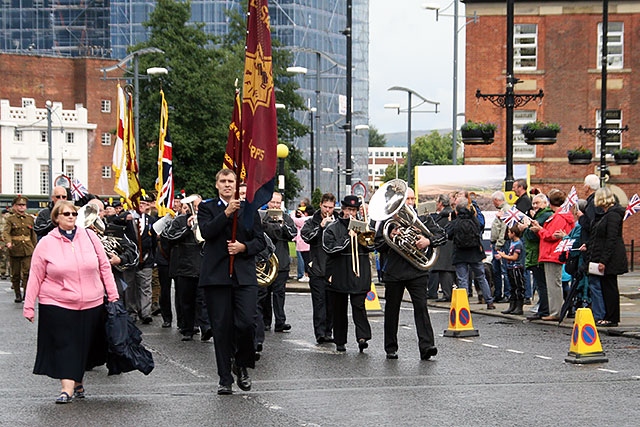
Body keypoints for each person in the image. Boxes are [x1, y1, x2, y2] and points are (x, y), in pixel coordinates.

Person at [23, 200, 119, 403]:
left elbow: (104, 267)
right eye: (66, 214)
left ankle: (77, 380)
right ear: (56, 218)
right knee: (66, 345)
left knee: (83, 345)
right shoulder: (46, 243)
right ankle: (66, 389)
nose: (71, 217)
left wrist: (113, 295)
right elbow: (36, 275)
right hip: (57, 302)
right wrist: (29, 305)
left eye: (74, 214)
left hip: (91, 301)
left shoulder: (90, 236)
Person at [198, 169, 266, 395]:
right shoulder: (206, 207)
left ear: (237, 185)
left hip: (244, 274)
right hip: (217, 276)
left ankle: (242, 363)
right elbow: (207, 232)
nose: (227, 185)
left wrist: (243, 248)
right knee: (221, 328)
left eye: (231, 181)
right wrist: (226, 213)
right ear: (216, 184)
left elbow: (260, 241)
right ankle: (224, 378)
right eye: (223, 181)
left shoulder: (249, 209)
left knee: (247, 323)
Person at [375, 187, 446, 360]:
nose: (410, 203)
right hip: (394, 272)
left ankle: (427, 346)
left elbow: (442, 235)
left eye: (412, 199)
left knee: (421, 308)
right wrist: (389, 236)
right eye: (407, 199)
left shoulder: (422, 218)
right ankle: (390, 347)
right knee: (392, 311)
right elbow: (376, 245)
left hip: (417, 271)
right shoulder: (387, 220)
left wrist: (428, 240)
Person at [322, 195, 373, 352]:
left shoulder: (363, 227)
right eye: (349, 210)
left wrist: (362, 236)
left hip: (359, 274)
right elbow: (329, 248)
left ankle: (362, 337)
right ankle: (340, 340)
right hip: (340, 273)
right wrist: (347, 239)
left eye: (354, 210)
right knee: (339, 309)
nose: (352, 213)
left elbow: (371, 246)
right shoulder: (332, 228)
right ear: (343, 210)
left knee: (359, 306)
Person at [529, 189, 575, 321]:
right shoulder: (558, 215)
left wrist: (540, 229)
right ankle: (555, 310)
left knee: (553, 284)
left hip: (552, 253)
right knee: (553, 284)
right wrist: (540, 229)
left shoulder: (558, 217)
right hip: (552, 253)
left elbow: (552, 235)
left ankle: (556, 312)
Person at [586, 187, 628, 327]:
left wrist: (603, 260)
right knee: (605, 287)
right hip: (606, 256)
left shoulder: (613, 215)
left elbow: (611, 239)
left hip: (611, 258)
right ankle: (608, 316)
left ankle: (612, 318)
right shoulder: (607, 214)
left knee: (610, 288)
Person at [447, 196, 495, 310]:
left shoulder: (456, 222)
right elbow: (480, 228)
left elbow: (448, 234)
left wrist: (450, 221)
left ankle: (465, 305)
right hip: (475, 253)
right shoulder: (474, 220)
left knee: (463, 279)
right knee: (481, 277)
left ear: (456, 210)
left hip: (460, 253)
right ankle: (489, 301)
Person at [301, 193, 336, 344]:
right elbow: (307, 237)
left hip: (333, 269)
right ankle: (320, 333)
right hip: (317, 268)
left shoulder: (337, 221)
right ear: (320, 205)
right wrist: (321, 227)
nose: (328, 210)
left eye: (331, 207)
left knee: (331, 304)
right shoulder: (311, 221)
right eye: (325, 206)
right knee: (319, 303)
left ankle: (329, 332)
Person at [260, 192, 296, 332]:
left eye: (277, 203)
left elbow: (292, 234)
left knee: (279, 293)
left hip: (281, 261)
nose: (275, 205)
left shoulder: (286, 218)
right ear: (268, 203)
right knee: (265, 294)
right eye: (273, 202)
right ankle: (266, 321)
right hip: (266, 261)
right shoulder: (262, 217)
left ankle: (280, 321)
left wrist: (282, 225)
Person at [122, 194, 157, 324]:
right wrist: (125, 217)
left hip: (146, 259)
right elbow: (114, 221)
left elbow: (153, 241)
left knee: (146, 287)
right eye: (139, 203)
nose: (141, 205)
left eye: (143, 203)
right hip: (130, 259)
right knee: (130, 287)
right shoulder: (127, 218)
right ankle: (132, 311)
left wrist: (153, 258)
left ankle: (146, 312)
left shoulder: (151, 220)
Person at [520, 194, 553, 320]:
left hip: (538, 253)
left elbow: (534, 235)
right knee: (541, 284)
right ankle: (544, 308)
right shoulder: (540, 215)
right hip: (535, 253)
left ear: (545, 203)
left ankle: (544, 310)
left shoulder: (544, 216)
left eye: (537, 203)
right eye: (533, 203)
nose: (534, 206)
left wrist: (526, 228)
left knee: (542, 284)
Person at [3, 195, 37, 303]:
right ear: (14, 206)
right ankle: (18, 294)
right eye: (19, 205)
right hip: (15, 249)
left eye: (23, 205)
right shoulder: (10, 219)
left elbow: (33, 235)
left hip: (27, 248)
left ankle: (26, 294)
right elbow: (6, 232)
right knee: (16, 274)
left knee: (27, 272)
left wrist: (35, 247)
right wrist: (8, 242)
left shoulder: (30, 219)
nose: (22, 207)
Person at [582, 174, 606, 321]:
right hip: (595, 248)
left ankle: (598, 314)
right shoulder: (596, 203)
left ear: (587, 187)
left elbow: (591, 225)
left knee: (594, 284)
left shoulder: (592, 204)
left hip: (593, 250)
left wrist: (581, 217)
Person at [429, 194, 456, 303]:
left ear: (440, 203)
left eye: (437, 202)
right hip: (449, 247)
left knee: (445, 272)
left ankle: (447, 294)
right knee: (447, 272)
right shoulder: (450, 213)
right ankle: (448, 293)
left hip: (445, 247)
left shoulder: (445, 215)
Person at [497, 226, 525, 315]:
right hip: (510, 267)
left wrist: (503, 256)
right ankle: (512, 305)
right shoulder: (512, 243)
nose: (508, 234)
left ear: (513, 233)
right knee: (512, 287)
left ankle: (519, 307)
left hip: (517, 268)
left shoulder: (518, 244)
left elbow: (515, 257)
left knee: (518, 287)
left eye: (509, 232)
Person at [490, 191, 511, 303]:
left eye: (494, 201)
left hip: (501, 245)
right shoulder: (503, 209)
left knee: (504, 270)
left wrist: (498, 244)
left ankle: (507, 294)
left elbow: (504, 229)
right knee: (496, 270)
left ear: (497, 200)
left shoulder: (505, 210)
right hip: (497, 243)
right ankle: (498, 294)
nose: (493, 204)